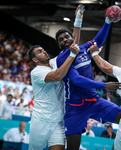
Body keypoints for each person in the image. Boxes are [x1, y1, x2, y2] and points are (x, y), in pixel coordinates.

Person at [55, 10, 121, 150]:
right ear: (59, 45)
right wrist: (104, 85)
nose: (65, 40)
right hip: (75, 107)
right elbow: (77, 80)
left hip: (94, 101)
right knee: (72, 148)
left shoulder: (84, 48)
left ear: (72, 38)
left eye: (66, 37)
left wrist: (108, 22)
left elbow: (98, 40)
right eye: (61, 40)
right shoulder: (62, 59)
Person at [28, 5, 83, 150]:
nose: (44, 52)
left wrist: (77, 20)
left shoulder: (55, 62)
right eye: (39, 52)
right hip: (41, 120)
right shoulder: (37, 72)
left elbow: (73, 45)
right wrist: (71, 55)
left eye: (43, 49)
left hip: (58, 121)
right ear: (35, 59)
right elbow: (58, 76)